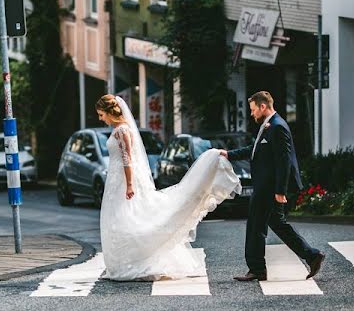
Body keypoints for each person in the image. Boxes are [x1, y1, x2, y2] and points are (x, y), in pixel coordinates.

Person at [96, 95, 241, 281]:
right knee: (119, 220)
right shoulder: (118, 129)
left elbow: (127, 160)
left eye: (101, 114)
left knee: (127, 218)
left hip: (123, 182)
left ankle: (132, 262)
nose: (101, 118)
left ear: (110, 112)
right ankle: (121, 263)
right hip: (116, 182)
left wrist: (130, 184)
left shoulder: (122, 131)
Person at [221, 91, 324, 281]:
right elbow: (254, 150)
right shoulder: (268, 126)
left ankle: (257, 269)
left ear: (263, 107)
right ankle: (312, 255)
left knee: (255, 225)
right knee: (277, 224)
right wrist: (228, 154)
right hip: (266, 185)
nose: (252, 114)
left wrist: (280, 191)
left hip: (269, 187)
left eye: (253, 110)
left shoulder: (277, 127)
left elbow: (284, 161)